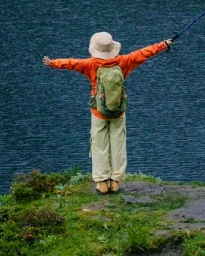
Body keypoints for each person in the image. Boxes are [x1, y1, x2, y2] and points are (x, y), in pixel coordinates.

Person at [43, 31, 171, 194]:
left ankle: (102, 182)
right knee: (117, 145)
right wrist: (163, 44)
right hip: (118, 111)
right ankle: (115, 181)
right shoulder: (123, 61)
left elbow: (71, 63)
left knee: (99, 145)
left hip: (98, 112)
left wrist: (53, 63)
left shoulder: (90, 64)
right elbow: (143, 53)